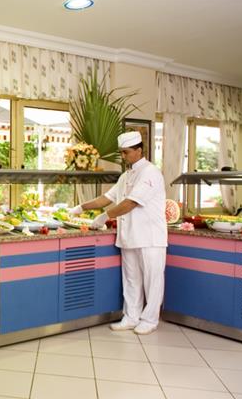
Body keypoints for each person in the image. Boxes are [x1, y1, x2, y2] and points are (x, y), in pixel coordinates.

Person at [69, 131, 167, 335]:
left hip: (149, 237)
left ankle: (150, 320)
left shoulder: (150, 172)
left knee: (152, 280)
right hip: (129, 235)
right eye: (121, 152)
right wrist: (81, 207)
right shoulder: (125, 176)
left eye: (126, 152)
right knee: (131, 280)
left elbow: (131, 203)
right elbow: (106, 198)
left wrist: (105, 216)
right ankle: (131, 317)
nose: (123, 157)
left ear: (139, 150)